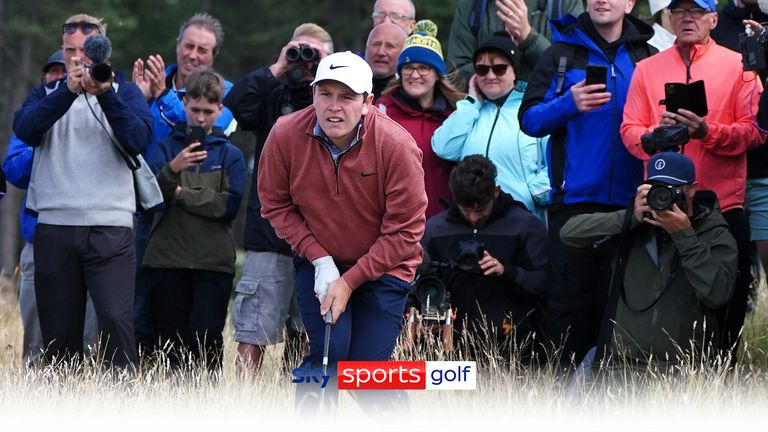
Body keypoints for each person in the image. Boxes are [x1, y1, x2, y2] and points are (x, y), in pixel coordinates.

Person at [257, 51, 427, 413]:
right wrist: (319, 259)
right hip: (319, 260)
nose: (334, 107)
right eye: (326, 94)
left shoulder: (396, 145)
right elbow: (274, 204)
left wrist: (349, 282)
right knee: (328, 355)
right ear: (313, 94)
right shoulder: (285, 134)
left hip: (386, 267)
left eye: (347, 97)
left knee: (366, 373)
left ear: (368, 102)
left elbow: (406, 232)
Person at [620, 0, 765, 363]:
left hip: (721, 207)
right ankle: (664, 373)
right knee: (664, 298)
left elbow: (754, 133)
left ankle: (721, 376)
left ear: (714, 19)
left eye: (696, 11)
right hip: (662, 205)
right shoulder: (647, 69)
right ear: (668, 17)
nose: (687, 18)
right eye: (679, 11)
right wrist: (654, 137)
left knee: (727, 302)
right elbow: (629, 130)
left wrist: (706, 131)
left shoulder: (740, 67)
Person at [518, 0, 656, 366]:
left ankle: (611, 392)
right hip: (573, 203)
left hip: (632, 205)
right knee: (568, 308)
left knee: (619, 309)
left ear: (630, 3)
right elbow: (529, 120)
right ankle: (564, 392)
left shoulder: (647, 56)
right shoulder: (560, 54)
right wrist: (568, 103)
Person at [13, 13, 152, 368]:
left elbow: (138, 140)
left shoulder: (125, 93)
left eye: (86, 51)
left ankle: (122, 394)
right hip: (55, 226)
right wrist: (66, 92)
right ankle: (63, 397)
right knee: (58, 332)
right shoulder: (47, 93)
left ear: (103, 51)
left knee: (116, 321)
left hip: (110, 227)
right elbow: (25, 129)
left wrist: (105, 95)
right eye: (70, 50)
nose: (78, 58)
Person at [224, 22, 333, 375]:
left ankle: (299, 398)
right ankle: (245, 400)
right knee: (252, 330)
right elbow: (236, 104)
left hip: (319, 239)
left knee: (309, 331)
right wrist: (280, 66)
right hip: (268, 234)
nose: (305, 60)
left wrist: (326, 71)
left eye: (314, 54)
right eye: (299, 51)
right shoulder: (274, 96)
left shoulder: (334, 105)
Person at [560, 152, 737, 369]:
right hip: (622, 364)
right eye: (656, 189)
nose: (663, 197)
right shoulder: (636, 225)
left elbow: (718, 294)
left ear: (692, 189)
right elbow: (568, 234)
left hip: (682, 368)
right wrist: (628, 218)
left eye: (672, 189)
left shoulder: (713, 232)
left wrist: (684, 236)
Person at [131, 12, 237, 356]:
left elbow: (201, 133)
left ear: (214, 56)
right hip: (151, 224)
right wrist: (138, 101)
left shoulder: (225, 94)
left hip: (202, 240)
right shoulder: (147, 85)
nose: (193, 55)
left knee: (199, 333)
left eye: (203, 50)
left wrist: (164, 98)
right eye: (188, 46)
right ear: (177, 46)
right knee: (145, 318)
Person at [141, 68, 246, 373]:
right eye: (195, 109)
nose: (200, 118)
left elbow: (227, 206)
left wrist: (181, 193)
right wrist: (173, 168)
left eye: (208, 111)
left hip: (212, 263)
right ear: (184, 103)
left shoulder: (231, 155)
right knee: (168, 344)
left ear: (220, 110)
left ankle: (205, 399)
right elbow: (149, 200)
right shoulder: (164, 148)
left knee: (206, 341)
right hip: (166, 260)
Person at [3, 50, 98, 364]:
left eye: (67, 70)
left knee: (87, 339)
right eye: (54, 71)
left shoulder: (97, 114)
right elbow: (13, 171)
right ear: (45, 78)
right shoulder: (32, 117)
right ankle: (35, 388)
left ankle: (81, 389)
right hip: (38, 238)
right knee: (36, 338)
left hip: (89, 240)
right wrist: (47, 148)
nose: (61, 76)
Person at [421, 155, 548, 362]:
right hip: (449, 347)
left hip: (513, 347)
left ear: (495, 193)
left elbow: (547, 284)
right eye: (466, 210)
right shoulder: (435, 230)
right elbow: (420, 285)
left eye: (480, 210)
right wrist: (429, 312)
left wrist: (506, 271)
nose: (474, 218)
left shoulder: (525, 227)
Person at [433, 32, 550, 218]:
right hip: (473, 219)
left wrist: (534, 194)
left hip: (521, 218)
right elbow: (443, 148)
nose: (490, 75)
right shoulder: (470, 110)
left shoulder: (533, 108)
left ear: (514, 71)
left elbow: (557, 160)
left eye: (499, 68)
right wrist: (472, 103)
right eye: (481, 69)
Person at [377, 20, 465, 219]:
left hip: (444, 222)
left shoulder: (456, 115)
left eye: (424, 67)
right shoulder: (382, 111)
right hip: (396, 222)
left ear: (437, 74)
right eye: (408, 67)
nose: (415, 75)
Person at [446, 0, 584, 88]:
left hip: (543, 114)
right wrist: (496, 60)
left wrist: (528, 38)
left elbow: (575, 73)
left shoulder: (565, 3)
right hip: (485, 115)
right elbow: (453, 76)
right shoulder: (472, 5)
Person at [364, 22, 407, 102]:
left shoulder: (408, 97)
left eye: (390, 46)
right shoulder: (348, 85)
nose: (381, 52)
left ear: (403, 52)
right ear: (366, 48)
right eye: (376, 44)